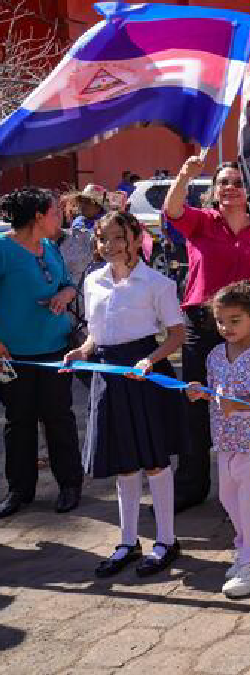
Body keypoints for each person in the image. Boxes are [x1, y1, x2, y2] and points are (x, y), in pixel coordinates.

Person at [63, 212, 187, 577]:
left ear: (135, 237)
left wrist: (150, 360)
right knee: (125, 463)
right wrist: (81, 352)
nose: (110, 246)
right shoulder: (93, 280)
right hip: (109, 376)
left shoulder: (157, 283)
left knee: (155, 461)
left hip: (144, 377)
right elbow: (95, 334)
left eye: (118, 238)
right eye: (103, 239)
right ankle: (128, 541)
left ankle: (166, 539)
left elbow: (177, 334)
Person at [164, 156, 250, 512]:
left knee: (244, 404)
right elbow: (173, 209)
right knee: (196, 404)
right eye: (224, 182)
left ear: (248, 189)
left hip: (247, 329)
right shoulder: (203, 222)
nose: (231, 188)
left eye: (237, 182)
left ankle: (244, 486)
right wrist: (185, 174)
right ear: (214, 190)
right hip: (203, 325)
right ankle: (191, 486)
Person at [184, 282, 250, 598]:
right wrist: (200, 393)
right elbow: (218, 396)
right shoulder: (215, 355)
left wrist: (241, 404)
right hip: (226, 442)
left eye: (235, 320)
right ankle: (247, 552)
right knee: (230, 501)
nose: (226, 327)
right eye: (220, 321)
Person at [0, 188, 83, 517]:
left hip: (55, 351)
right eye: (54, 212)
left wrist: (64, 294)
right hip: (13, 356)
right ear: (38, 217)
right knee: (18, 422)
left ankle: (70, 484)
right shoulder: (4, 250)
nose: (59, 219)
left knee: (59, 418)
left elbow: (67, 282)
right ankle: (20, 490)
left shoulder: (50, 246)